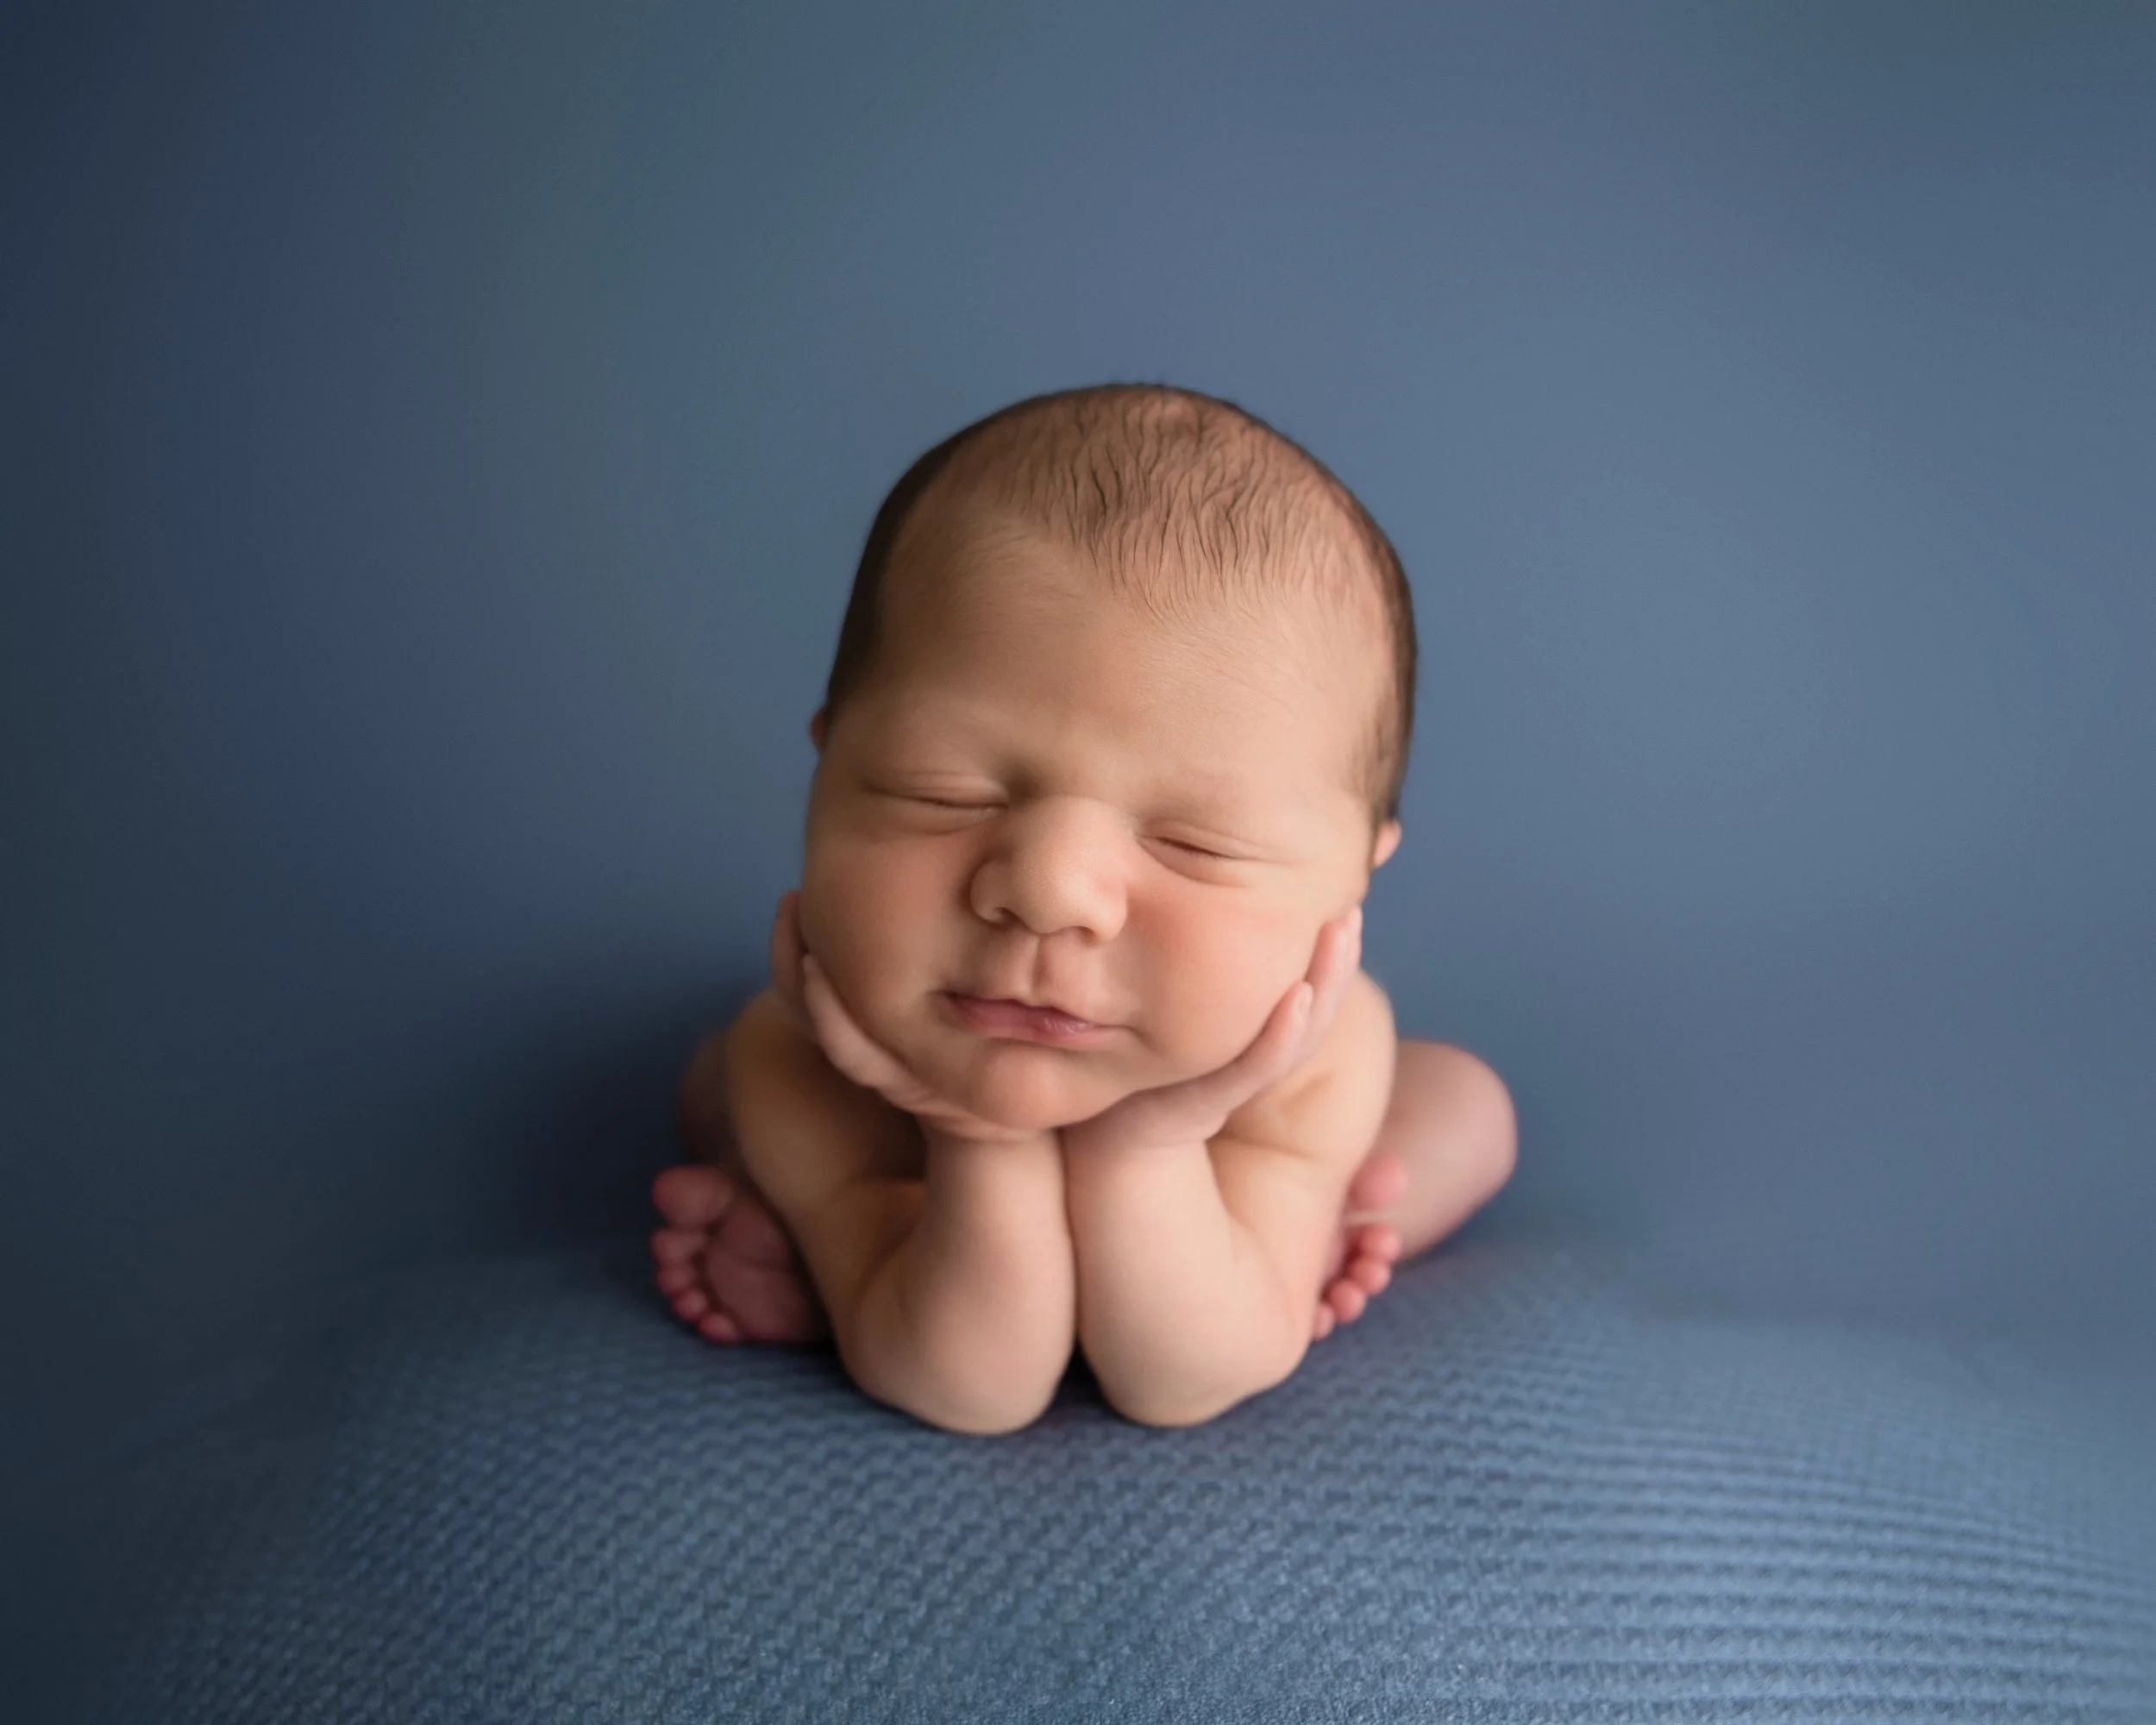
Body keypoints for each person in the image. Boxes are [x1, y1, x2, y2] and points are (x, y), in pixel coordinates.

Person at [649, 384, 1517, 1433]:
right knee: (714, 1090)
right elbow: (969, 1388)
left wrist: (1147, 1145)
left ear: (1353, 878)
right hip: (892, 1144)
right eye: (942, 794)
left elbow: (1182, 1379)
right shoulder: (801, 1064)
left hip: (1240, 1140)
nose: (1048, 891)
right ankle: (845, 1251)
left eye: (1195, 843)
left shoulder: (1317, 1061)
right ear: (830, 765)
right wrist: (969, 1133)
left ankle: (1311, 1226)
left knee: (1462, 1109)